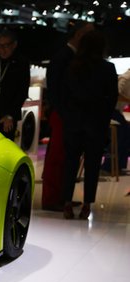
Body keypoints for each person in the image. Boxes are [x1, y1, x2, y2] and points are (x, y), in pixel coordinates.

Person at [60, 30, 118, 219]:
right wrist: (104, 117)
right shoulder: (107, 68)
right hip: (96, 123)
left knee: (70, 164)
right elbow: (112, 98)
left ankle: (67, 203)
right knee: (92, 166)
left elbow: (65, 96)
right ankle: (87, 205)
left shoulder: (72, 67)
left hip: (74, 123)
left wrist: (68, 117)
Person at [41, 21, 94, 211]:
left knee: (65, 157)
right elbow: (55, 88)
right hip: (63, 114)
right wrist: (62, 112)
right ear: (79, 35)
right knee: (58, 156)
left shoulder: (68, 56)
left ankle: (62, 197)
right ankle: (52, 198)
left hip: (65, 114)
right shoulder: (64, 56)